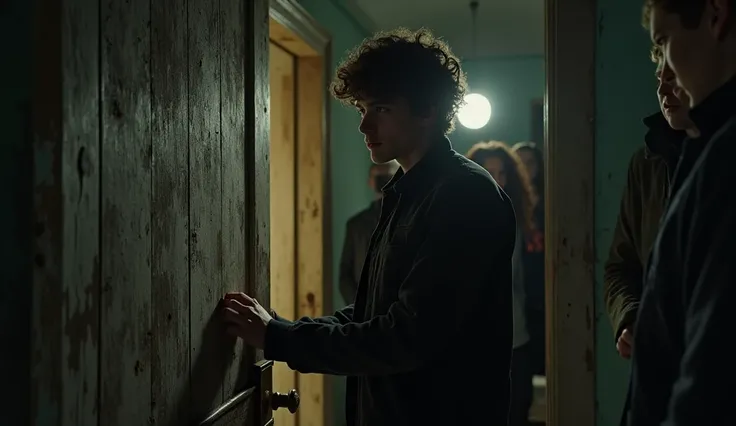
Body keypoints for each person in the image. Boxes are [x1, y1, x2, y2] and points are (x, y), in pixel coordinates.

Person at [221, 28, 518, 426]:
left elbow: (406, 336)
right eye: (362, 110)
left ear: (427, 109)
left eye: (380, 109)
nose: (364, 127)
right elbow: (371, 312)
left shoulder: (465, 196)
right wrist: (279, 329)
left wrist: (279, 337)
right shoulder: (406, 192)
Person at [629, 1, 736, 425]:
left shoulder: (725, 155)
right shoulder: (706, 143)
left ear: (715, 15)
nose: (664, 67)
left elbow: (715, 364)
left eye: (664, 40)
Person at [604, 44, 695, 425]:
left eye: (674, 67)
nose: (663, 83)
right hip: (655, 371)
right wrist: (630, 317)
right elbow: (620, 266)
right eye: (658, 70)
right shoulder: (648, 160)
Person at [467, 141, 535, 426]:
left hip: (515, 336)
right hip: (470, 339)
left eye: (502, 173)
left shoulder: (516, 220)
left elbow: (517, 280)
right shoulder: (456, 219)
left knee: (516, 409)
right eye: (488, 171)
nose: (496, 180)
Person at [338, 161, 399, 305]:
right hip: (362, 310)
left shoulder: (410, 219)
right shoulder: (356, 225)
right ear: (370, 182)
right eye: (379, 178)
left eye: (389, 177)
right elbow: (345, 274)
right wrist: (357, 307)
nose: (384, 182)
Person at [511, 141, 546, 375]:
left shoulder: (550, 203)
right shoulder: (508, 204)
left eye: (530, 163)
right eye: (519, 163)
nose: (525, 168)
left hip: (544, 289)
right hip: (517, 292)